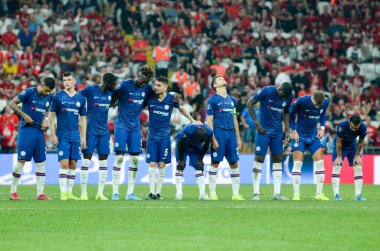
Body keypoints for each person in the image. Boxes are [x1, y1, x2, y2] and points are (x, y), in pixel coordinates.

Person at [144, 77, 196, 200]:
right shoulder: (150, 98)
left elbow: (181, 108)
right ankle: (151, 193)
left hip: (164, 137)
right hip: (152, 137)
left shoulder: (171, 99)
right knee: (152, 164)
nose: (156, 87)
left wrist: (192, 120)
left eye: (159, 85)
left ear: (165, 87)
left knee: (162, 164)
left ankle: (158, 193)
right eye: (155, 85)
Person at [110, 65, 155, 201]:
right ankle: (115, 192)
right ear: (138, 74)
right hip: (122, 125)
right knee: (119, 158)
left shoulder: (147, 89)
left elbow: (154, 100)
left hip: (135, 127)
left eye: (146, 81)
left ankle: (130, 193)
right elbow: (112, 100)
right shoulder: (124, 85)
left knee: (135, 159)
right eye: (142, 79)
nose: (143, 83)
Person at [8, 77, 55, 200]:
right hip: (27, 130)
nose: (47, 93)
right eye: (46, 90)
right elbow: (12, 103)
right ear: (42, 84)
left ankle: (40, 193)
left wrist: (45, 119)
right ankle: (13, 192)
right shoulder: (29, 92)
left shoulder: (49, 97)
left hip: (39, 132)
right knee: (21, 161)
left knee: (41, 162)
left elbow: (47, 109)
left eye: (49, 91)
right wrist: (24, 115)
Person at [246, 82, 293, 200]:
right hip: (263, 131)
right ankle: (256, 193)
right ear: (279, 88)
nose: (283, 98)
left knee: (278, 157)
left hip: (277, 132)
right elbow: (249, 103)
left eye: (285, 97)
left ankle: (277, 193)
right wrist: (256, 123)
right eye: (282, 95)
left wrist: (287, 129)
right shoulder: (266, 91)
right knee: (259, 158)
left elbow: (287, 112)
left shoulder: (288, 96)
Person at [79, 73, 118, 201]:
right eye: (114, 83)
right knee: (86, 160)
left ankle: (100, 193)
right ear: (108, 82)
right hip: (90, 130)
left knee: (103, 161)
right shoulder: (90, 89)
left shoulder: (111, 94)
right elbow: (77, 98)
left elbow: (112, 104)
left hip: (104, 131)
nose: (115, 86)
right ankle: (83, 193)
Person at [206, 76, 245, 201]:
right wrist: (213, 138)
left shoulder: (232, 99)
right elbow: (209, 121)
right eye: (219, 79)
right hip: (219, 133)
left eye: (222, 78)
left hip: (231, 134)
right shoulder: (212, 100)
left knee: (234, 163)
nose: (222, 79)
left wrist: (238, 138)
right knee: (215, 162)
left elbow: (235, 119)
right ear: (215, 85)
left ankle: (235, 194)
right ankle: (212, 193)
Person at [50, 72, 87, 201]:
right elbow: (52, 115)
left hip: (75, 135)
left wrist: (83, 137)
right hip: (62, 135)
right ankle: (63, 193)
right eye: (64, 80)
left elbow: (83, 119)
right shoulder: (58, 97)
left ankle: (70, 192)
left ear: (74, 81)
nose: (66, 82)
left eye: (69, 79)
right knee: (64, 163)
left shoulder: (81, 98)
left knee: (73, 163)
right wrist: (53, 134)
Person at [290, 91, 330, 201]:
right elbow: (290, 114)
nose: (317, 107)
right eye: (316, 104)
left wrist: (322, 128)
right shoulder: (302, 101)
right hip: (300, 135)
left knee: (320, 163)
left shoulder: (325, 101)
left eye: (319, 105)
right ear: (312, 98)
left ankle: (319, 194)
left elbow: (323, 113)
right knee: (298, 163)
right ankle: (296, 194)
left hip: (313, 135)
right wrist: (293, 130)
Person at [332, 115, 367, 201]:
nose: (355, 129)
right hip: (340, 145)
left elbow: (361, 142)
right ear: (350, 122)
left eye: (357, 127)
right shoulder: (342, 126)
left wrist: (357, 155)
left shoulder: (363, 127)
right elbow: (339, 141)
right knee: (337, 166)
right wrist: (339, 157)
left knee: (358, 166)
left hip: (352, 145)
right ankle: (336, 194)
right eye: (353, 127)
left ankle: (358, 195)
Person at [175, 122, 213, 200]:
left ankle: (202, 194)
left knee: (199, 166)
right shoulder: (188, 130)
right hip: (182, 143)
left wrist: (200, 159)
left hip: (195, 146)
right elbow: (180, 144)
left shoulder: (209, 132)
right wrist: (181, 160)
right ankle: (179, 193)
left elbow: (206, 146)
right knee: (180, 167)